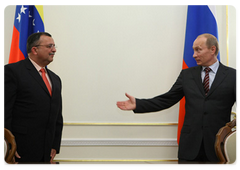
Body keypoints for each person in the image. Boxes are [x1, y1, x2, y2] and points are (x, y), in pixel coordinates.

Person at [116, 33, 237, 162]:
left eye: (198, 50)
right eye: (193, 50)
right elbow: (167, 99)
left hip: (219, 147)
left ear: (212, 49)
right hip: (190, 148)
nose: (194, 55)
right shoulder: (187, 75)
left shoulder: (233, 76)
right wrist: (138, 104)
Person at [2, 32, 63, 163]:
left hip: (46, 151)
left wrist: (55, 145)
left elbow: (57, 115)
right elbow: (4, 111)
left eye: (54, 46)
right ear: (35, 49)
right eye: (50, 46)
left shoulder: (55, 79)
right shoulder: (12, 72)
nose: (54, 50)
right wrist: (8, 146)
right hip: (20, 150)